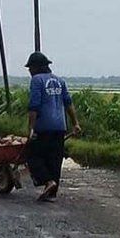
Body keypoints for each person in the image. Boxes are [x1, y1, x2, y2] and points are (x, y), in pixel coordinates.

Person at [25, 52, 81, 202]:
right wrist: (75, 123)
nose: (29, 71)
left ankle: (48, 182)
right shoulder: (59, 81)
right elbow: (68, 103)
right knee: (54, 159)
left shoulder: (37, 80)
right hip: (60, 126)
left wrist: (31, 128)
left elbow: (34, 105)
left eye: (30, 68)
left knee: (32, 155)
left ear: (37, 68)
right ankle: (51, 193)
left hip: (44, 125)